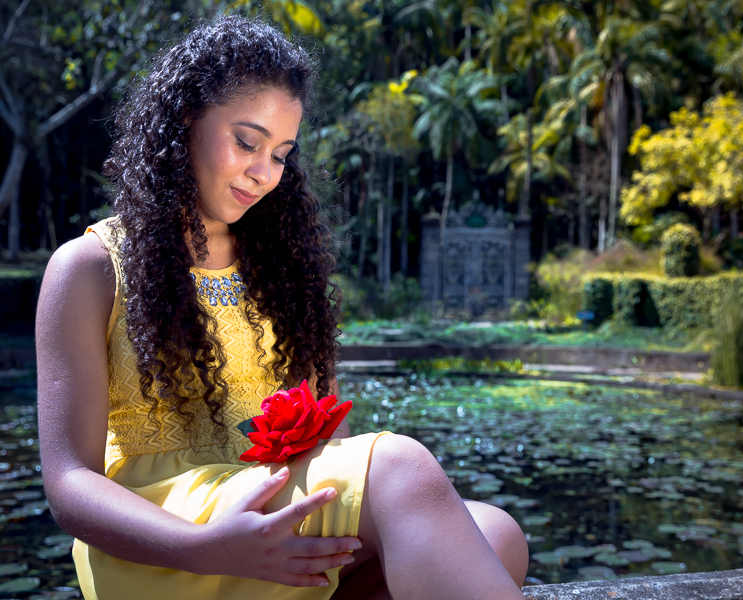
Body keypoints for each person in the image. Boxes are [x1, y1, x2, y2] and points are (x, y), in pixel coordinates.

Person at [36, 15, 528, 600]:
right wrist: (208, 545)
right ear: (185, 119)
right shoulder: (90, 267)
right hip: (166, 536)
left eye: (281, 154)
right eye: (247, 142)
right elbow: (69, 482)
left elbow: (316, 432)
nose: (264, 173)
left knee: (497, 533)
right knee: (400, 467)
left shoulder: (281, 268)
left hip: (266, 506)